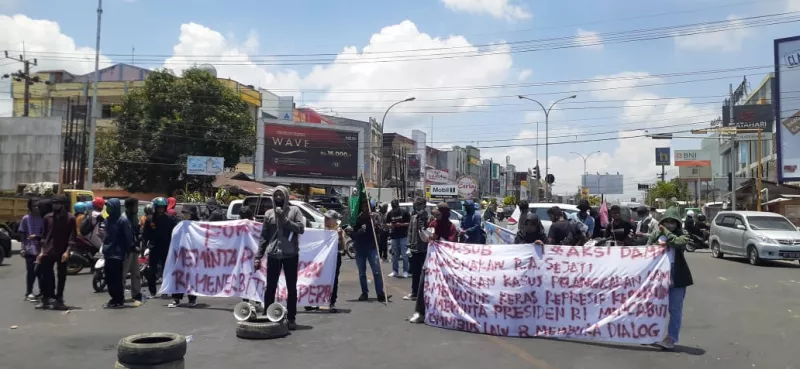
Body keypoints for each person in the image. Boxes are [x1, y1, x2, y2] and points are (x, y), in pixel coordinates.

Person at [255, 186, 306, 331]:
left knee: (291, 288)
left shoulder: (295, 211)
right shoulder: (269, 213)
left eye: (281, 195)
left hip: (290, 255)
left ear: (286, 196)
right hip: (273, 254)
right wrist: (258, 257)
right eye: (276, 195)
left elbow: (301, 229)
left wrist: (285, 220)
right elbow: (264, 237)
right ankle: (268, 315)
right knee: (270, 286)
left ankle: (291, 318)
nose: (278, 198)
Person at [646, 206, 693, 350]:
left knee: (675, 309)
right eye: (667, 222)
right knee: (654, 307)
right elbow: (647, 249)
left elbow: (678, 243)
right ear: (663, 221)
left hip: (677, 276)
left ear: (677, 223)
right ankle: (651, 334)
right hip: (658, 276)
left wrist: (665, 232)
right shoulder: (656, 234)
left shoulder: (683, 234)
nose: (670, 225)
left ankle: (671, 338)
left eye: (673, 222)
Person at [409, 202, 456, 324]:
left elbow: (451, 243)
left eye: (438, 213)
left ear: (444, 214)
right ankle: (420, 313)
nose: (436, 216)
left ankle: (447, 313)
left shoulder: (451, 227)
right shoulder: (433, 224)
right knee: (423, 285)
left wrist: (438, 238)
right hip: (430, 261)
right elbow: (426, 239)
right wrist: (422, 231)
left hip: (445, 264)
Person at [35, 195, 76, 310]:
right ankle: (46, 298)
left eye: (57, 203)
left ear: (63, 204)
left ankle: (59, 299)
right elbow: (44, 236)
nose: (55, 205)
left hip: (62, 251)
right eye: (54, 203)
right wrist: (41, 252)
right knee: (45, 275)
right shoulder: (47, 217)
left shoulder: (70, 218)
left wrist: (67, 252)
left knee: (61, 276)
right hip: (48, 250)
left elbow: (72, 237)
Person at [352, 198, 390, 303]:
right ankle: (364, 293)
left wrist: (374, 222)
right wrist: (360, 231)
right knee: (362, 273)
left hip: (372, 247)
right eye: (364, 206)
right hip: (360, 248)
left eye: (368, 206)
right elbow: (352, 234)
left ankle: (380, 293)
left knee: (377, 272)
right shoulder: (357, 218)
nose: (366, 208)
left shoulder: (376, 216)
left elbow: (381, 231)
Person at [144, 197, 179, 300]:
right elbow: (145, 234)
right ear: (155, 208)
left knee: (166, 270)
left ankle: (165, 291)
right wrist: (143, 248)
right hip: (154, 248)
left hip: (166, 248)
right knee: (151, 271)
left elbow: (177, 229)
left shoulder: (170, 218)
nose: (161, 210)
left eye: (162, 208)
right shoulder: (149, 219)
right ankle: (152, 292)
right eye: (159, 208)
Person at [101, 199, 133, 309]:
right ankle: (114, 298)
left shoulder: (122, 221)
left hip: (118, 254)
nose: (108, 209)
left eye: (110, 206)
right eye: (107, 207)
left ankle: (118, 299)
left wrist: (129, 249)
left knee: (116, 279)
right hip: (108, 252)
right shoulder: (107, 220)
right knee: (109, 278)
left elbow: (128, 237)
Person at [19, 198, 44, 302]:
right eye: (34, 206)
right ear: (30, 206)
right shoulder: (26, 218)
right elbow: (22, 234)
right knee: (31, 272)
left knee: (41, 273)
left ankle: (42, 292)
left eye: (38, 205)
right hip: (30, 249)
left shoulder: (43, 218)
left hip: (42, 250)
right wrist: (22, 248)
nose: (36, 208)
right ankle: (29, 292)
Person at [404, 197, 429, 301]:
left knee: (425, 273)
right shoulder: (413, 218)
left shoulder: (428, 218)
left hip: (424, 250)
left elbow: (429, 232)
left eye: (420, 204)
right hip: (414, 249)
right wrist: (408, 246)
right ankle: (414, 292)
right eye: (416, 205)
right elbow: (410, 232)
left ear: (424, 205)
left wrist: (423, 222)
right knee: (415, 273)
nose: (418, 207)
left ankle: (424, 293)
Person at [121, 198, 143, 306]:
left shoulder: (134, 217)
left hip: (134, 249)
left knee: (136, 272)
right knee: (123, 273)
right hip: (126, 250)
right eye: (136, 206)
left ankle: (136, 293)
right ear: (130, 207)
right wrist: (133, 246)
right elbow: (126, 237)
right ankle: (120, 295)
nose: (137, 208)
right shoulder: (124, 219)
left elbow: (137, 232)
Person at [386, 199, 410, 278]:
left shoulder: (404, 212)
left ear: (398, 206)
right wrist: (390, 225)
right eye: (393, 207)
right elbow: (386, 223)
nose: (395, 209)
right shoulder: (390, 213)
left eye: (396, 207)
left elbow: (409, 223)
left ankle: (406, 271)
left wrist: (401, 224)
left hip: (403, 236)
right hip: (394, 236)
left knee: (404, 255)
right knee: (394, 255)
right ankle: (395, 271)